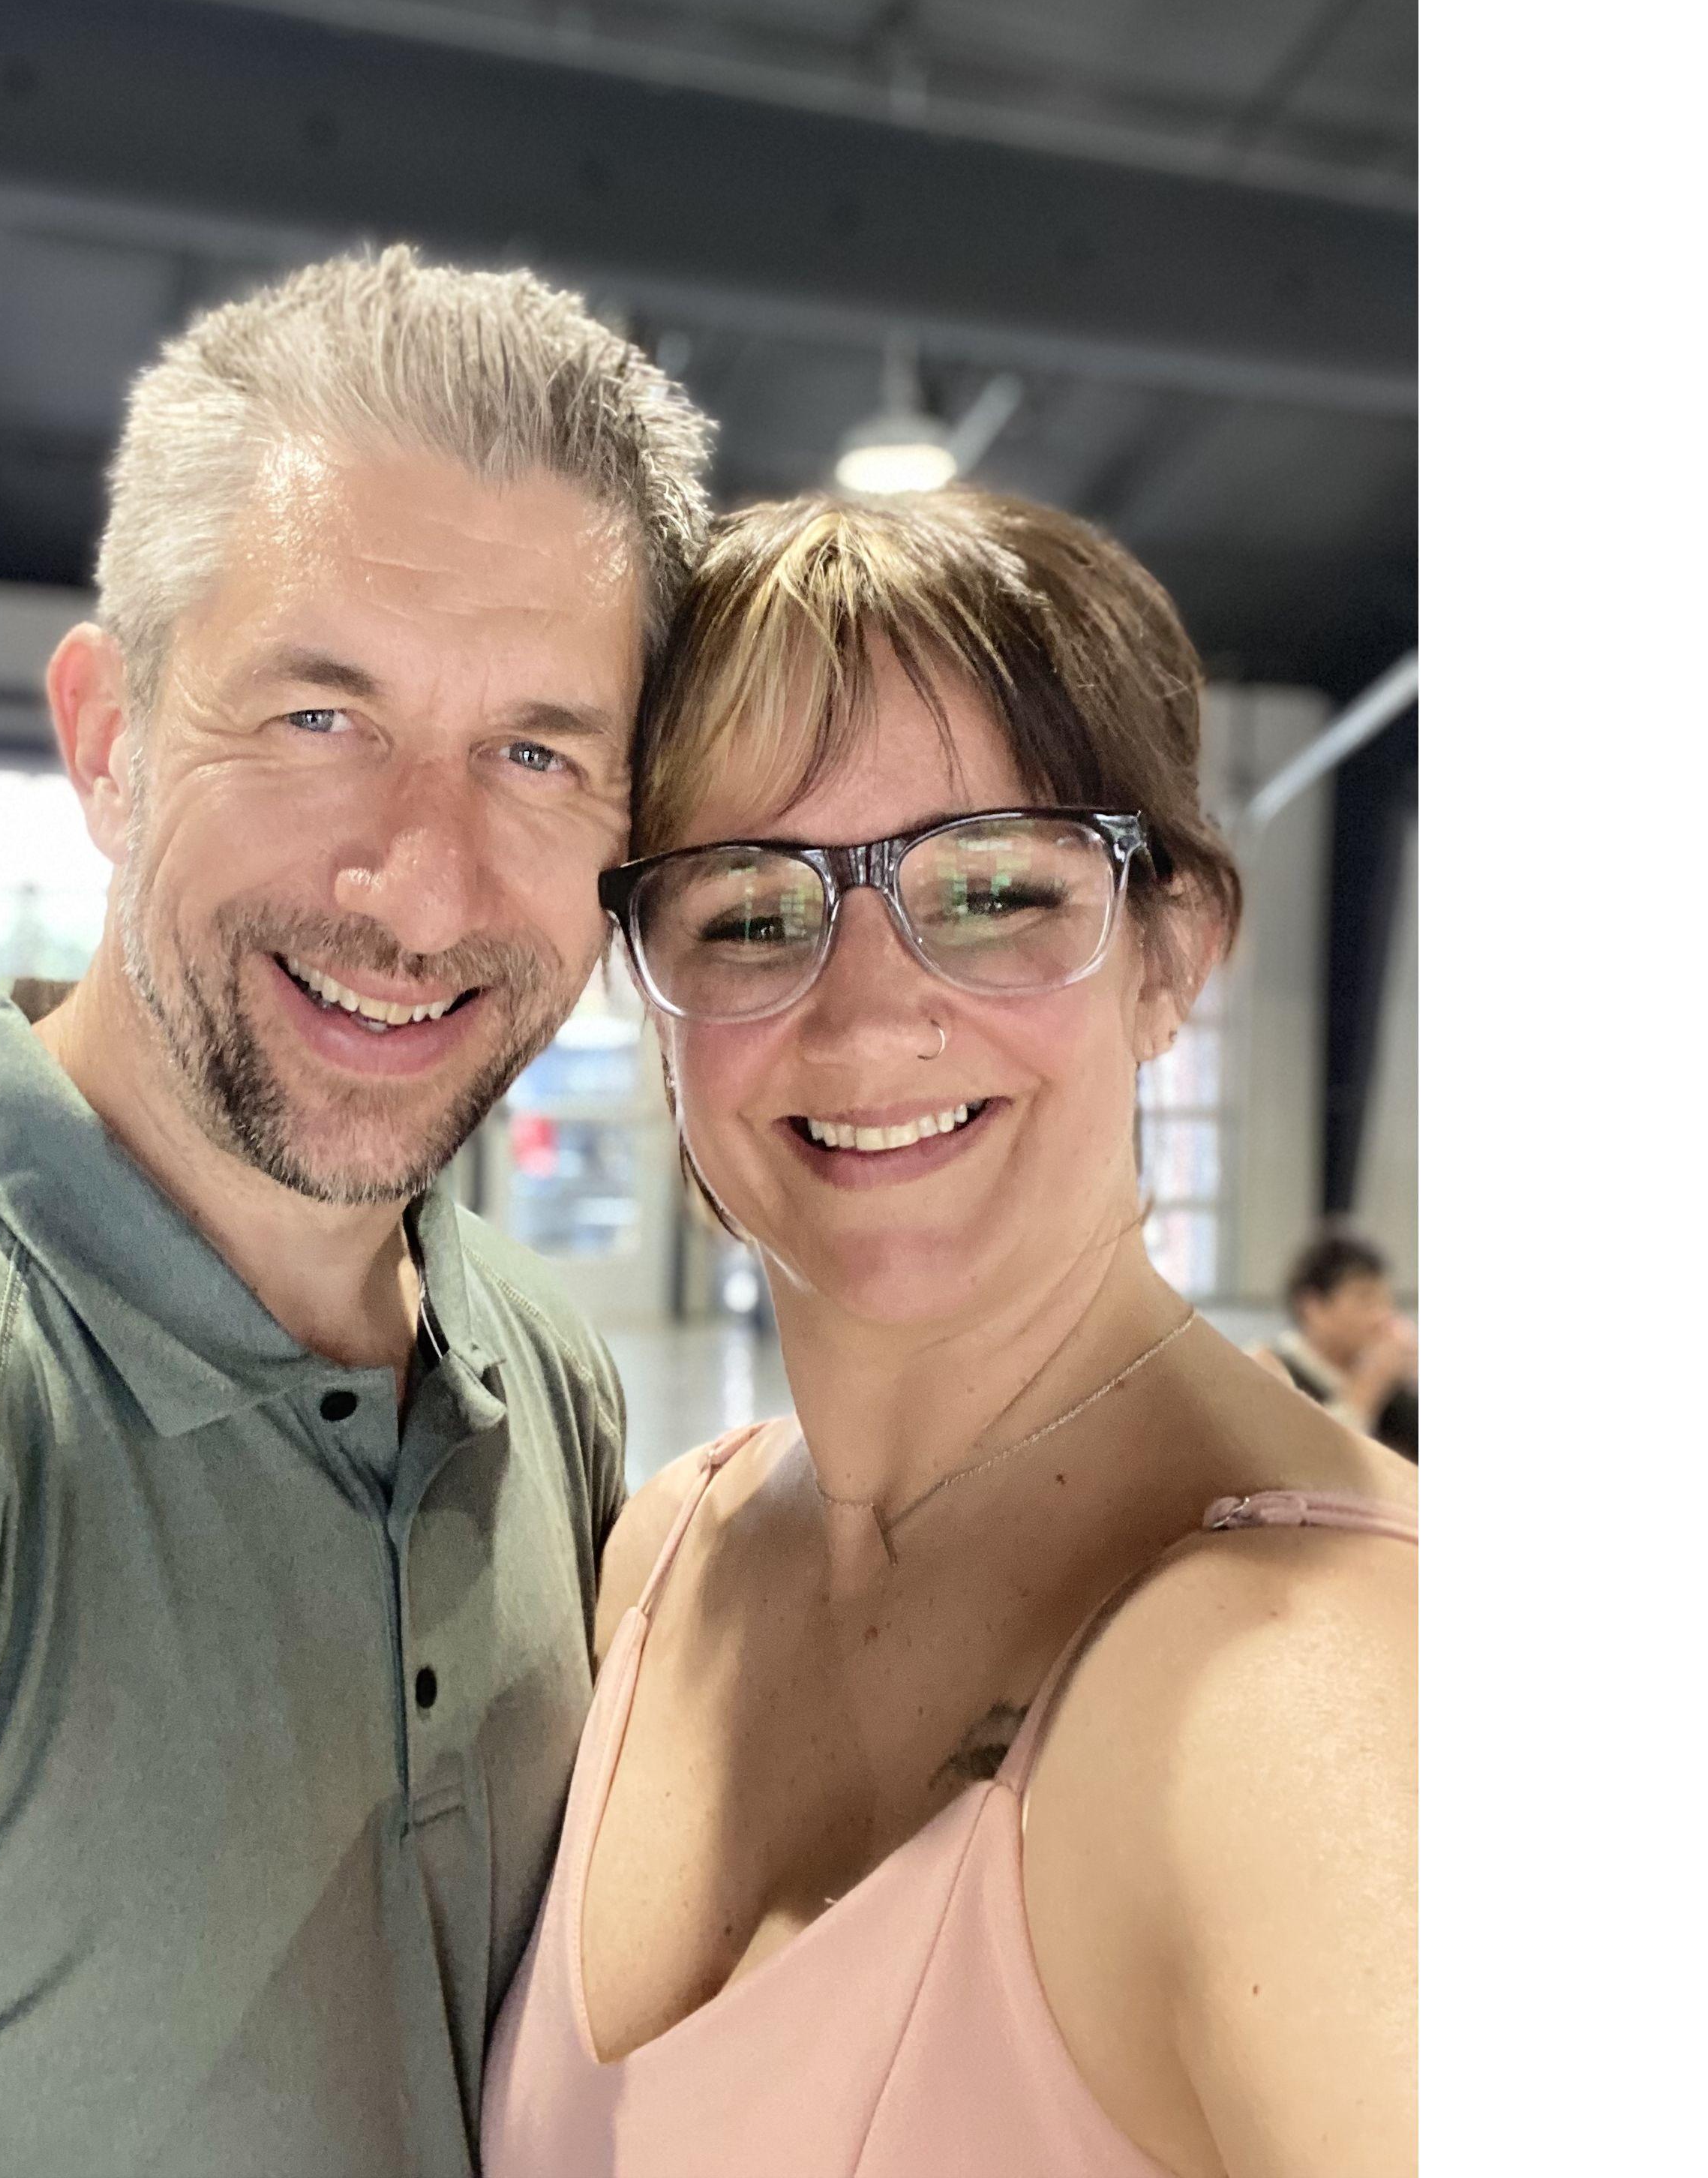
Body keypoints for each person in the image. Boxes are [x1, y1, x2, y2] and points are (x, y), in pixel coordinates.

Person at [0, 247, 713, 2178]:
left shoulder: (541, 1381)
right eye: (319, 717)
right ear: (108, 740)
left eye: (535, 753)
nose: (421, 888)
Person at [482, 491, 1417, 2176]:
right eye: (748, 911)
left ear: (1171, 953)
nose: (864, 1014)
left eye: (989, 890)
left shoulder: (1323, 1694)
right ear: (648, 989)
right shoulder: (656, 1564)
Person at [1255, 1230, 1420, 1460]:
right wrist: (1369, 1386)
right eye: (1365, 1299)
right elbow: (1310, 1466)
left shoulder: (1393, 1382)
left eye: (1386, 1300)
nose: (1382, 1316)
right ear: (1312, 1308)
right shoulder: (1268, 1373)